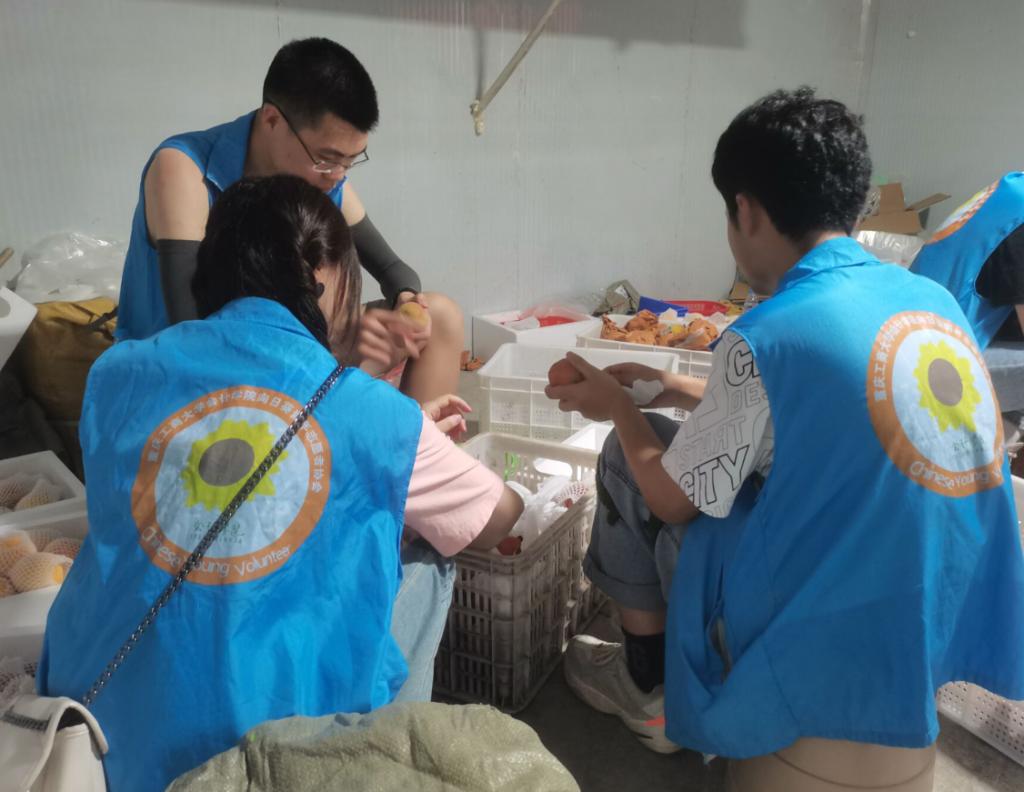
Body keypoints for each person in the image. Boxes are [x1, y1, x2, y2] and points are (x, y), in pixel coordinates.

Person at [544, 88, 1024, 770]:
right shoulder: (929, 298)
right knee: (681, 436)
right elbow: (817, 407)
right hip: (938, 597)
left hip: (823, 612)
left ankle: (647, 684)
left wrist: (621, 409)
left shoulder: (768, 331)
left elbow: (672, 501)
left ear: (745, 210)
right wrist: (673, 386)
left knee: (632, 452)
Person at [38, 176, 523, 792]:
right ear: (323, 275)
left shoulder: (116, 374)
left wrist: (395, 444)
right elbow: (497, 517)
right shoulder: (372, 412)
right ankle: (381, 757)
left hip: (92, 736)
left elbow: (224, 453)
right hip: (269, 763)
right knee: (430, 551)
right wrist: (408, 449)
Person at [117, 36, 462, 403]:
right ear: (272, 119)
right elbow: (193, 328)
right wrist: (341, 349)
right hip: (188, 365)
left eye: (350, 161)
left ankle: (423, 438)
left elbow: (392, 268)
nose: (337, 176)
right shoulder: (185, 169)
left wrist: (407, 305)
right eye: (327, 158)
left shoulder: (321, 178)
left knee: (439, 318)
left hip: (283, 348)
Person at [910, 174, 1024, 451]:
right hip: (926, 366)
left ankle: (999, 435)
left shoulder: (1015, 192)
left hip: (921, 341)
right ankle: (979, 448)